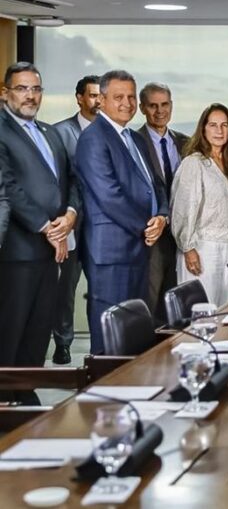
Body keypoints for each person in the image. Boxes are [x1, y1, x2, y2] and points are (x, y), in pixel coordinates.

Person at [76, 69, 168, 354]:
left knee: (133, 336)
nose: (127, 103)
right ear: (101, 100)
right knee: (110, 340)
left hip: (139, 248)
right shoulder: (93, 138)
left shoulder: (135, 139)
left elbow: (156, 185)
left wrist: (162, 216)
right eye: (118, 97)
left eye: (131, 96)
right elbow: (109, 195)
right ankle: (105, 385)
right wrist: (147, 225)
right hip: (112, 253)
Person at [0, 63, 80, 385]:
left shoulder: (50, 132)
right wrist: (48, 227)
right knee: (11, 330)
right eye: (22, 88)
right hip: (17, 252)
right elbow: (8, 188)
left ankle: (25, 391)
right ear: (5, 92)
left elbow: (71, 180)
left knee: (39, 328)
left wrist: (70, 215)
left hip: (51, 253)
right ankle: (6, 396)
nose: (30, 96)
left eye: (36, 89)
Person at [170, 104, 228, 306]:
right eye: (213, 125)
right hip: (203, 248)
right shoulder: (194, 163)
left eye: (224, 125)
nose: (219, 131)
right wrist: (188, 248)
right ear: (203, 129)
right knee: (203, 310)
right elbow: (183, 209)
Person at [50, 74, 99, 364]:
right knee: (65, 288)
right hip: (70, 223)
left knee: (101, 289)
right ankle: (63, 343)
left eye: (100, 95)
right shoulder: (59, 132)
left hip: (101, 227)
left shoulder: (110, 133)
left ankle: (100, 345)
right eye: (92, 95)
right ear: (79, 98)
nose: (97, 101)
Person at [137, 82, 188, 320]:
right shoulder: (133, 142)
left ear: (172, 105)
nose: (160, 111)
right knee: (151, 300)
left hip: (182, 235)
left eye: (164, 104)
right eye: (153, 106)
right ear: (142, 108)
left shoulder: (186, 143)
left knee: (178, 301)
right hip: (151, 236)